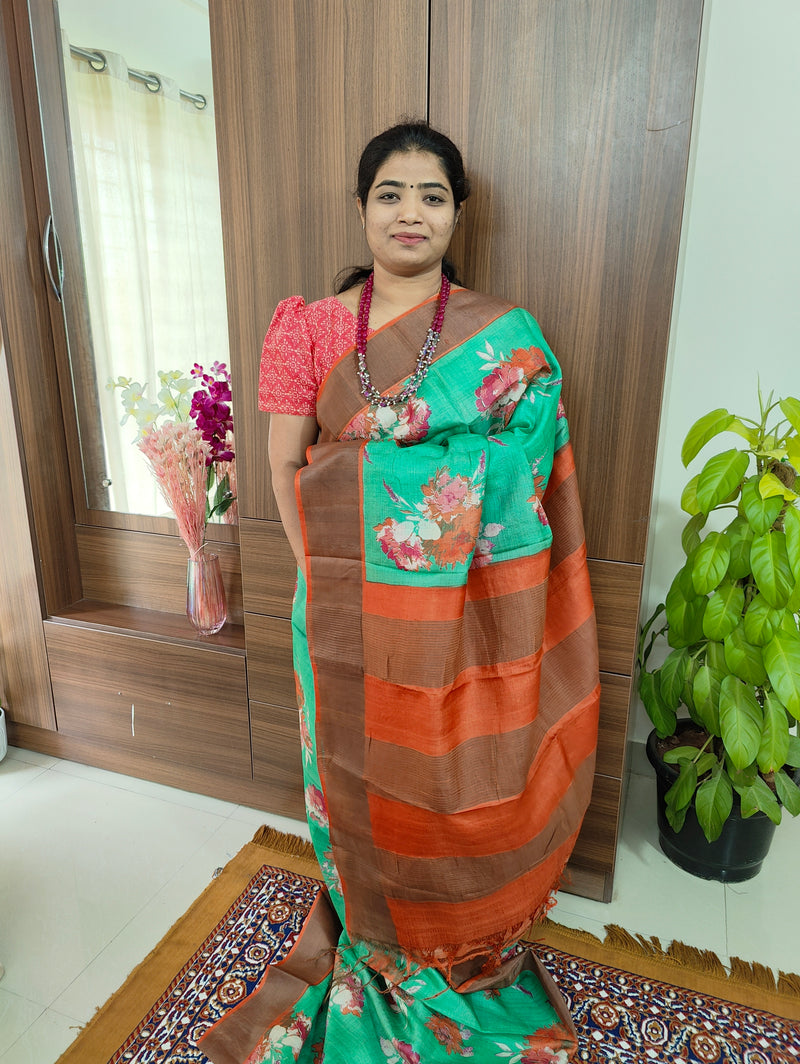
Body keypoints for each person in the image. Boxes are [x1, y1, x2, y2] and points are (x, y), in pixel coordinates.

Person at [201, 122, 600, 1064]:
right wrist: (335, 580)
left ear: (458, 213)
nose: (410, 212)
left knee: (441, 779)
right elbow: (286, 466)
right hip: (340, 609)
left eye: (431, 195)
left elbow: (531, 464)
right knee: (356, 786)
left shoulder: (507, 337)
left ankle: (448, 932)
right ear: (362, 207)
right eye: (390, 192)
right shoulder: (307, 327)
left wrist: (408, 516)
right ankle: (373, 929)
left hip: (465, 616)